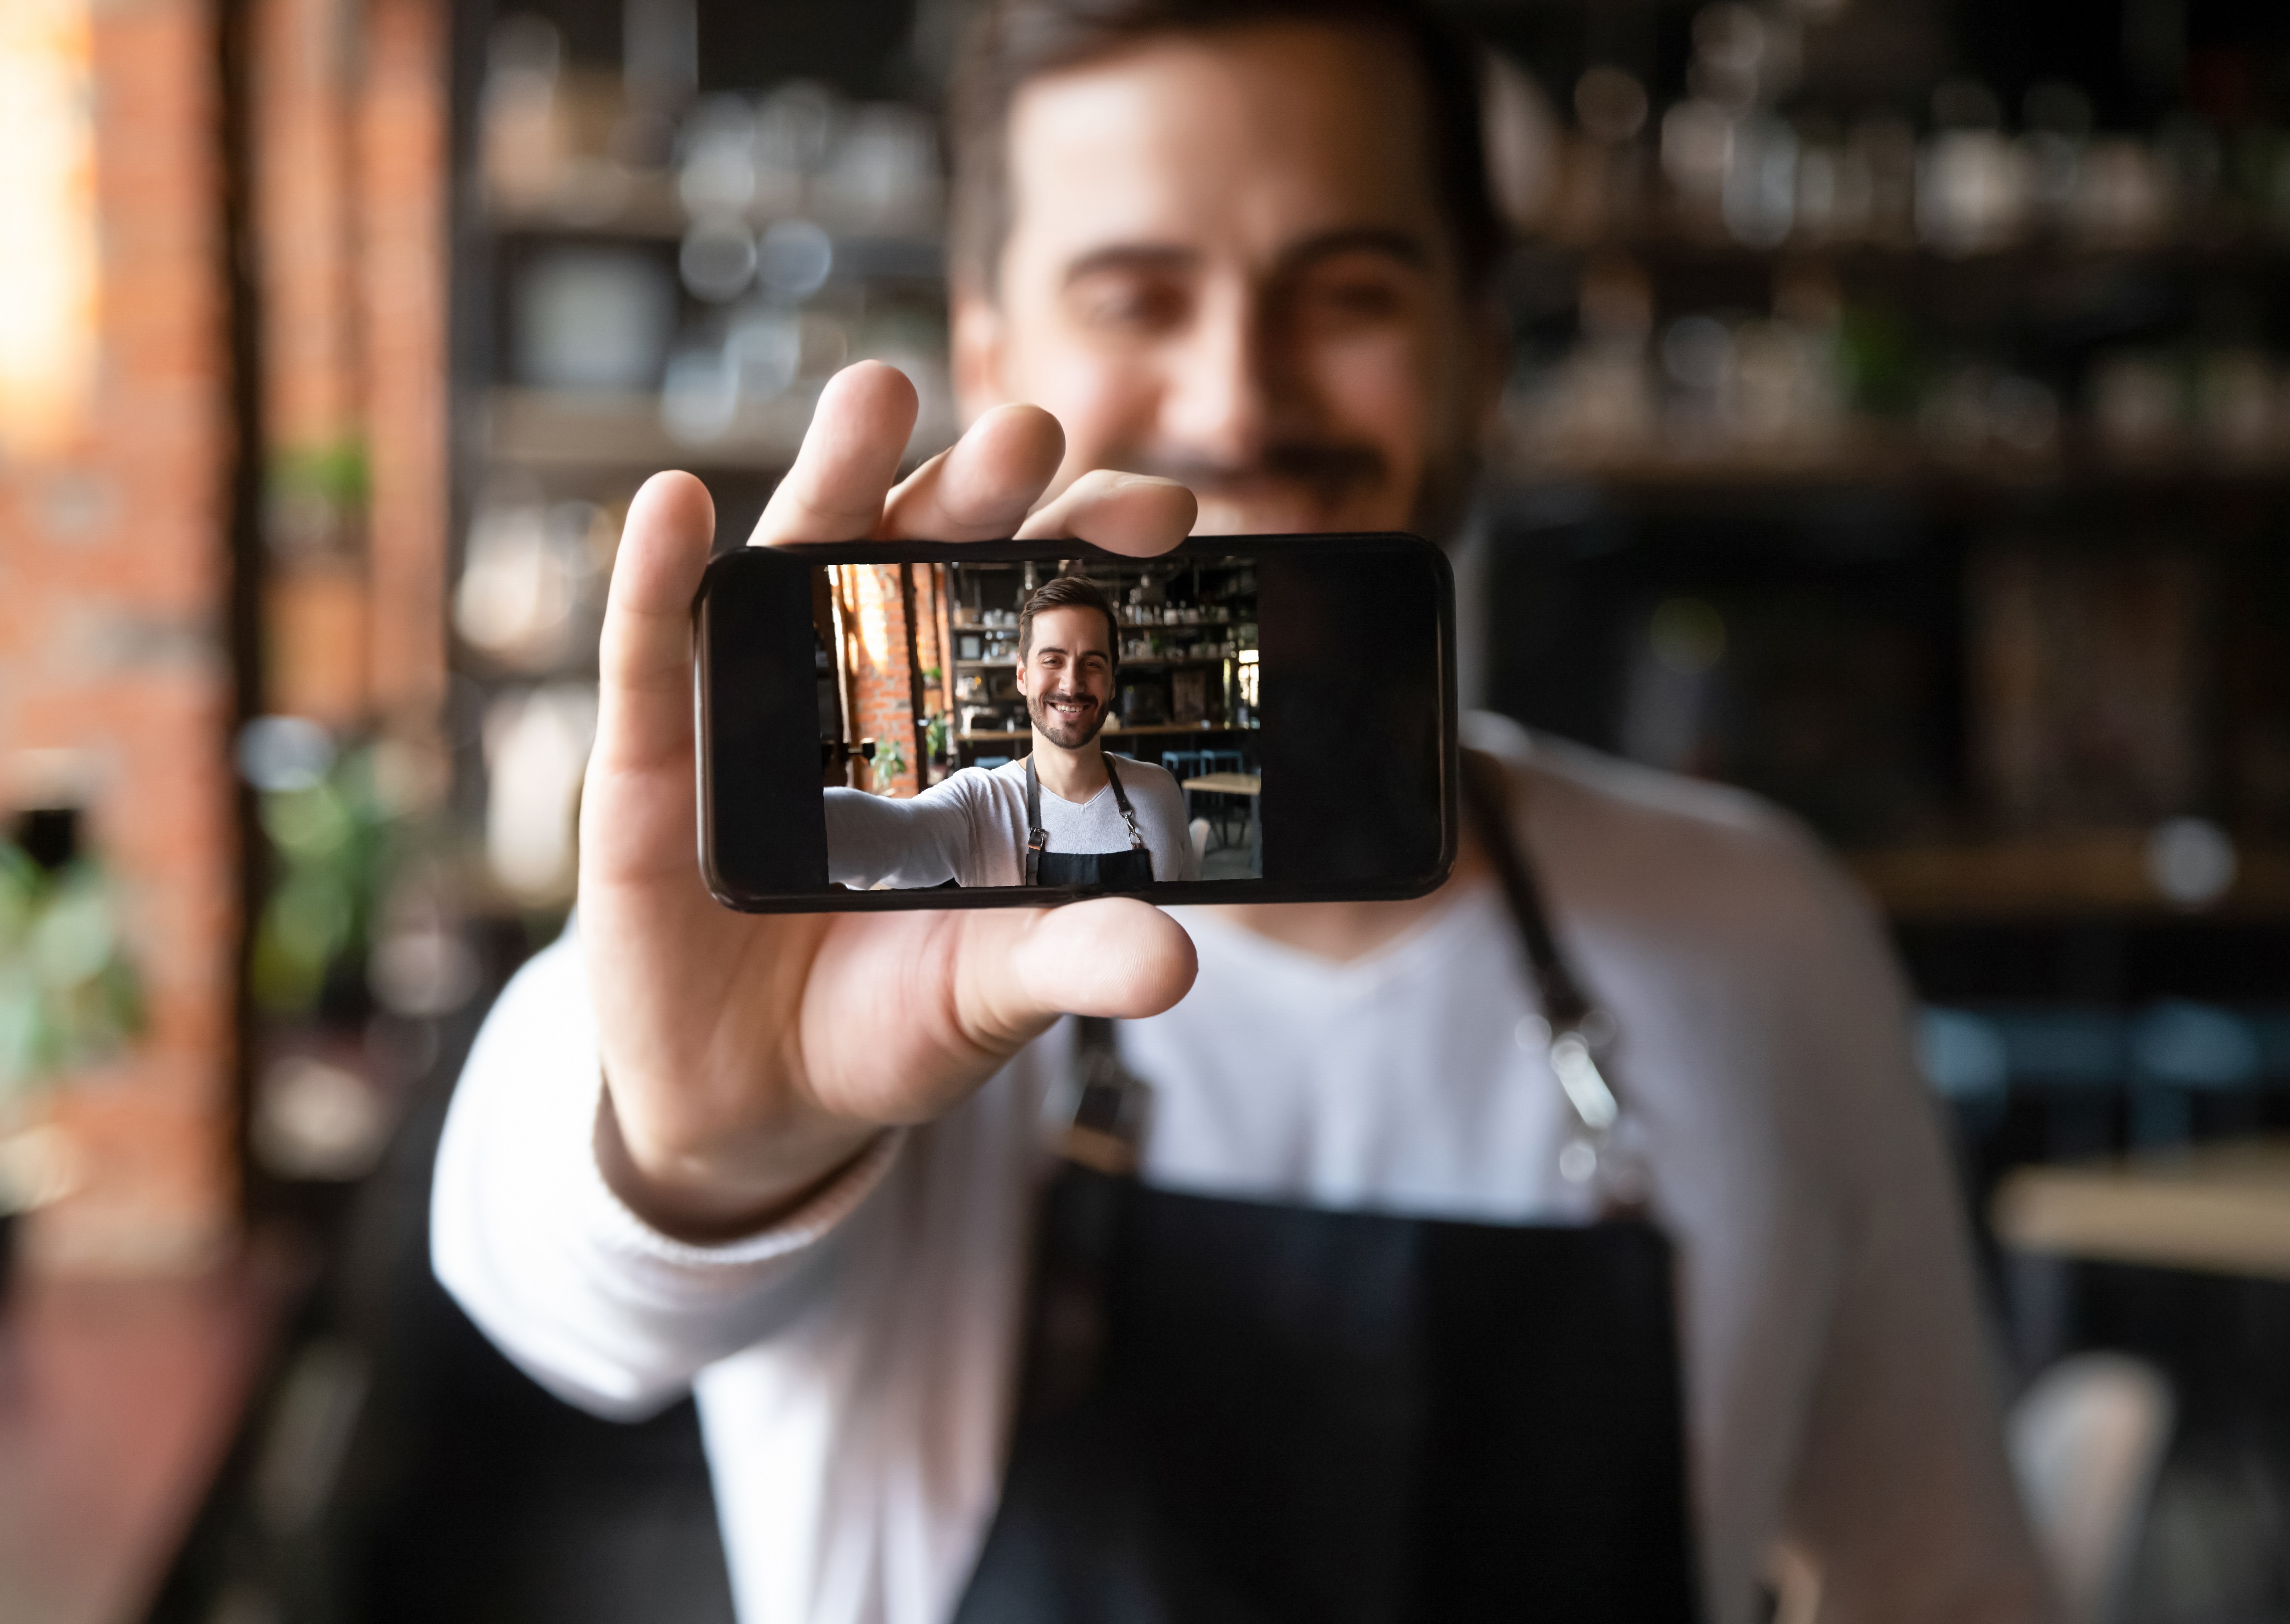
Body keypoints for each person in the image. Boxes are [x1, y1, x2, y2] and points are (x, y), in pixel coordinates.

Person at [433, 1, 2051, 1620]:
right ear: (990, 355)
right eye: (1138, 295)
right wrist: (702, 1150)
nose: (1240, 392)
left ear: (1481, 350)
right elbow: (553, 1282)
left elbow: (1940, 1582)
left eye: (1349, 292)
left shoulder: (1761, 937)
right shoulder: (867, 923)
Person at [823, 574, 1199, 891]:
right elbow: (893, 835)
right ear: (1022, 676)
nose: (1072, 683)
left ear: (1113, 683)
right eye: (1052, 660)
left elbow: (1193, 929)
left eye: (1093, 663)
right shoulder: (980, 803)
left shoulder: (1161, 791)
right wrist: (793, 824)